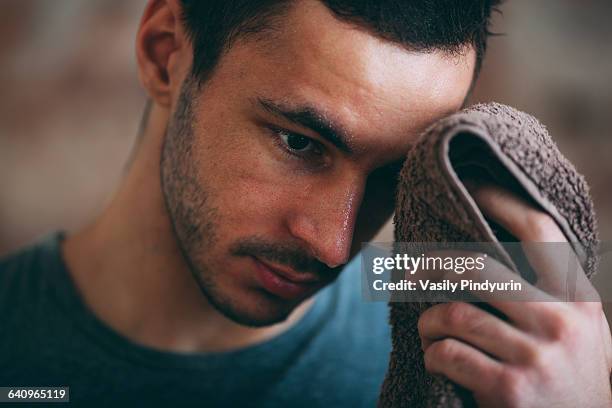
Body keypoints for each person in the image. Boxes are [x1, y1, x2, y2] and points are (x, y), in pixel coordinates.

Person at [1, 0, 610, 406]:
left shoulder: (434, 303)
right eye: (299, 142)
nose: (336, 244)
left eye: (393, 174)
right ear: (166, 55)